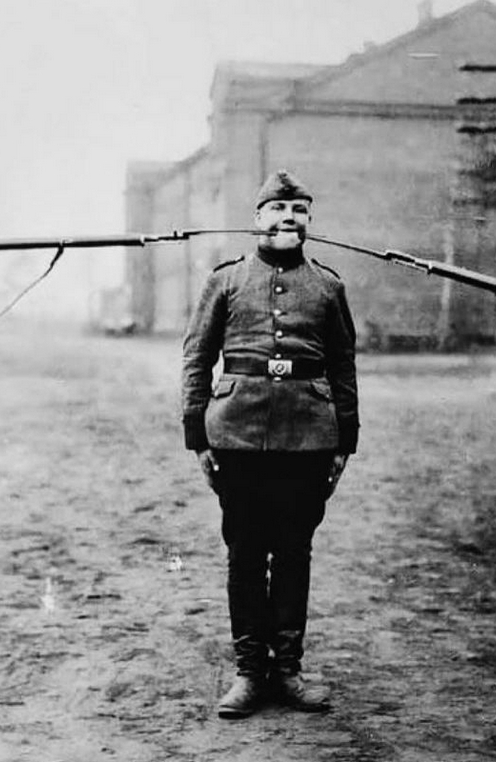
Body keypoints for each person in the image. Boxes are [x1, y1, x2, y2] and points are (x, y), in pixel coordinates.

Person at [181, 169, 359, 719]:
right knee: (245, 551)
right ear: (257, 219)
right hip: (235, 435)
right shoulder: (226, 281)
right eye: (278, 211)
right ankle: (249, 672)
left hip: (307, 439)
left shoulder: (328, 287)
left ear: (308, 222)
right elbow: (196, 357)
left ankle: (288, 671)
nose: (289, 219)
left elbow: (344, 365)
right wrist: (198, 435)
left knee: (293, 552)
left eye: (300, 212)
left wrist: (343, 440)